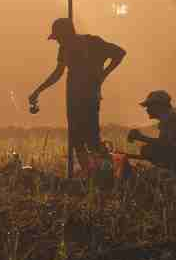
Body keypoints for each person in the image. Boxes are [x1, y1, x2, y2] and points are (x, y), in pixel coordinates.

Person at [28, 17, 126, 175]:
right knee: (76, 139)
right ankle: (89, 174)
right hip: (73, 99)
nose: (57, 41)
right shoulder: (64, 49)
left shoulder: (93, 43)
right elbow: (58, 73)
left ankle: (106, 174)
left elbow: (120, 53)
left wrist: (103, 75)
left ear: (67, 33)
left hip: (88, 98)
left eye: (59, 37)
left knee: (92, 138)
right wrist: (38, 91)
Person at [127, 90, 176, 175]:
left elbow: (164, 143)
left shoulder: (170, 118)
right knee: (149, 149)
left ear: (158, 106)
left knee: (147, 150)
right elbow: (167, 143)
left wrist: (140, 137)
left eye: (149, 106)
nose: (147, 109)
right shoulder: (171, 115)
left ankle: (173, 172)